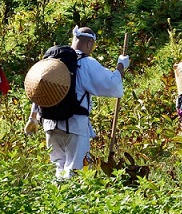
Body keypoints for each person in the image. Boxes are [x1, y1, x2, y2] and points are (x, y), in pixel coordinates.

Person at [26, 25, 129, 179]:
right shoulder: (86, 63)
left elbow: (41, 90)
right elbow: (112, 85)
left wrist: (33, 117)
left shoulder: (52, 62)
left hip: (49, 123)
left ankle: (57, 199)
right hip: (74, 124)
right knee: (75, 169)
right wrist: (121, 66)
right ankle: (73, 200)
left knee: (58, 167)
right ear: (89, 43)